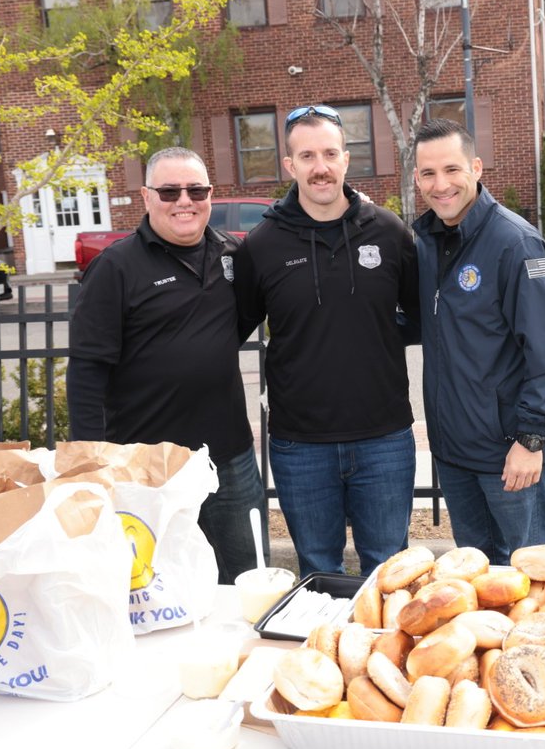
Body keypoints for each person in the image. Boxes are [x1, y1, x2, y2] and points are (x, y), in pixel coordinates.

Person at [67, 146, 268, 584]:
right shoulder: (115, 268)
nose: (184, 200)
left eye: (196, 190)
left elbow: (249, 312)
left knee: (249, 578)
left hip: (227, 457)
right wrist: (88, 459)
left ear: (210, 195)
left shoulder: (232, 255)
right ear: (146, 196)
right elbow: (86, 370)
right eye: (170, 190)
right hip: (148, 467)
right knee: (162, 588)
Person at [234, 104, 419, 577]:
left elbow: (420, 317)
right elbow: (232, 327)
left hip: (384, 438)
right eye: (308, 156)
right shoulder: (263, 245)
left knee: (390, 574)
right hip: (301, 444)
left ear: (346, 158)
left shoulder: (389, 231)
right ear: (289, 165)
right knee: (319, 572)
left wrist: (368, 339)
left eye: (330, 153)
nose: (320, 167)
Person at [411, 118, 545, 565]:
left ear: (476, 168)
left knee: (530, 572)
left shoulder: (515, 243)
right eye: (428, 173)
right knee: (476, 576)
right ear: (416, 179)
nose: (440, 184)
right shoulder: (427, 243)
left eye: (451, 169)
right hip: (455, 450)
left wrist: (531, 440)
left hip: (510, 452)